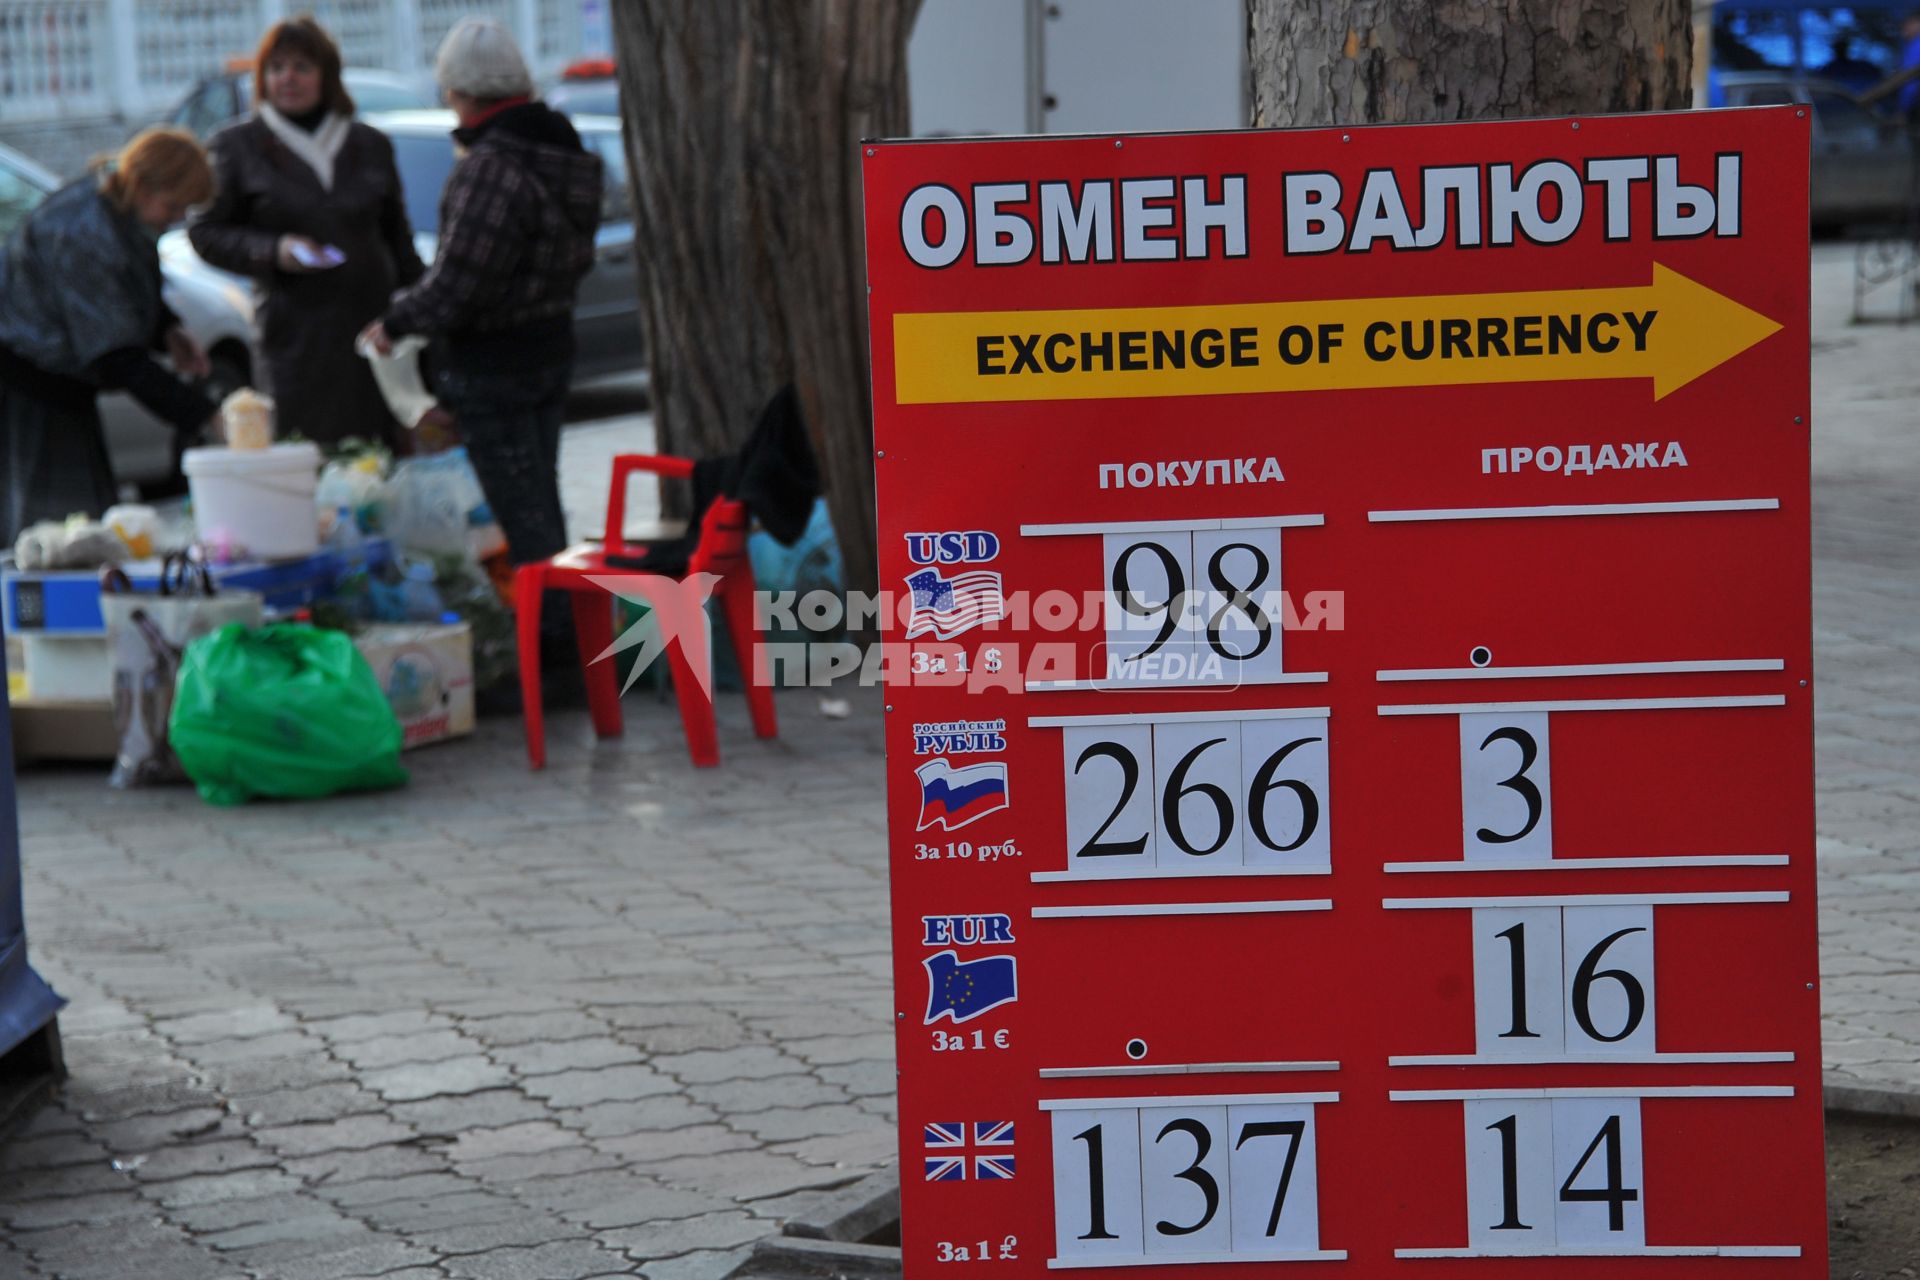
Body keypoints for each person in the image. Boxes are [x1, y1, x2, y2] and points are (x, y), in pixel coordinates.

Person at [359, 17, 602, 570]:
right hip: (551, 348)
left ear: (458, 92)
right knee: (540, 500)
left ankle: (558, 639)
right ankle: (571, 624)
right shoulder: (565, 152)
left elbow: (461, 282)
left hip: (496, 367)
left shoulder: (491, 166)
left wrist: (395, 322)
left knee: (522, 519)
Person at [189, 17, 424, 450]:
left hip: (372, 332)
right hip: (294, 338)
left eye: (301, 67)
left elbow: (399, 240)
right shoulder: (238, 146)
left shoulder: (368, 144)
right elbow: (205, 232)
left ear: (327, 75)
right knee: (307, 456)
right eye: (276, 69)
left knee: (379, 458)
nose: (287, 79)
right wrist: (275, 249)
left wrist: (418, 314)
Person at [0, 128, 223, 545]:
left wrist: (168, 330)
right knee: (49, 540)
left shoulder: (120, 214)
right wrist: (206, 415)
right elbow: (115, 355)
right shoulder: (84, 231)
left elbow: (128, 292)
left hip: (60, 388)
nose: (175, 218)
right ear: (142, 185)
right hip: (31, 392)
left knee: (85, 532)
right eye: (173, 206)